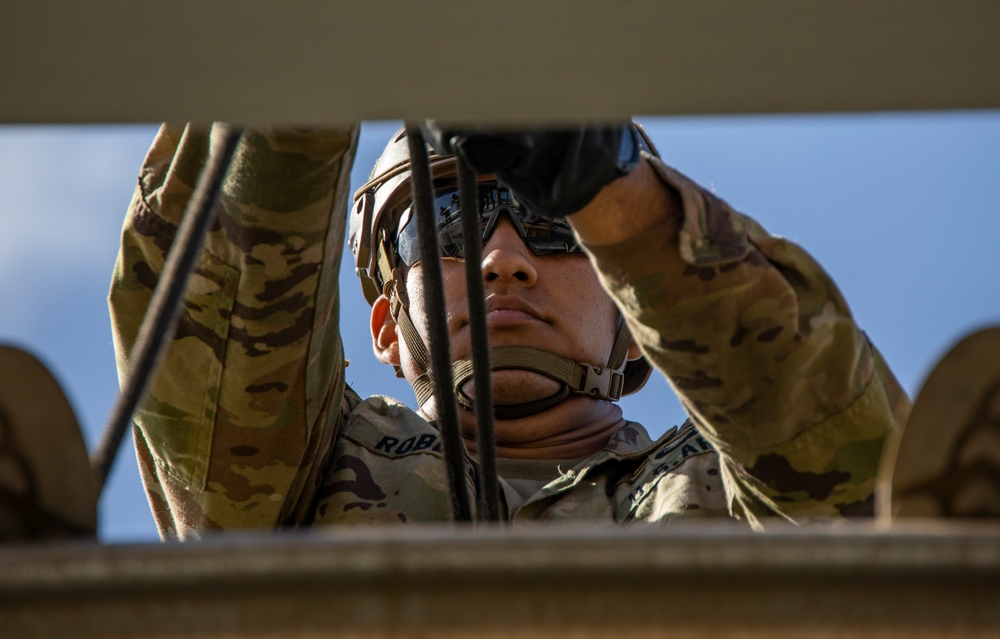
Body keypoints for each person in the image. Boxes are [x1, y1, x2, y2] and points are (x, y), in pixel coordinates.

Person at [109, 123, 909, 539]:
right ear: (386, 327)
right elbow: (209, 328)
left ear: (638, 323)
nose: (503, 260)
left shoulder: (727, 487)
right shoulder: (311, 470)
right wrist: (317, 62)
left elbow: (850, 462)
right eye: (446, 222)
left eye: (553, 220)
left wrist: (622, 200)